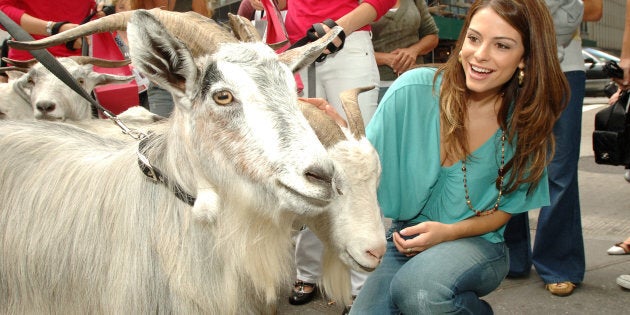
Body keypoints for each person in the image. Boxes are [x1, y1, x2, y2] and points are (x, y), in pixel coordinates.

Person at [346, 0, 569, 313]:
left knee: (419, 293)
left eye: (501, 45)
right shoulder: (413, 90)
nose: (479, 55)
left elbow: (504, 213)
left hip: (480, 244)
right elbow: (362, 162)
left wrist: (447, 232)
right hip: (407, 238)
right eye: (474, 38)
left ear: (525, 58)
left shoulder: (526, 122)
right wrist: (336, 132)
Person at [249, 0, 396, 308]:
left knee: (357, 165)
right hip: (299, 48)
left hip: (348, 41)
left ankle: (361, 282)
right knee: (308, 166)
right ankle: (309, 270)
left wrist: (339, 28)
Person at [503, 0, 602, 297]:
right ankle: (510, 256)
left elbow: (594, 10)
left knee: (560, 169)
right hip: (512, 65)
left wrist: (532, 17)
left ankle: (559, 263)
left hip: (564, 68)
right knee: (508, 162)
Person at [128, 0, 210, 117]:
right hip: (161, 84)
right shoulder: (141, 3)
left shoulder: (194, 2)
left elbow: (205, 33)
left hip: (197, 85)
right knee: (164, 131)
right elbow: (140, 34)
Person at [371, 0, 439, 101]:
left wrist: (413, 51)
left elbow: (432, 36)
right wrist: (386, 59)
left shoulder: (415, 2)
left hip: (415, 82)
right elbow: (350, 48)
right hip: (375, 87)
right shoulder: (358, 3)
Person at [0, 0, 100, 61]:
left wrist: (101, 8)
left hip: (80, 64)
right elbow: (2, 11)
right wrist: (54, 28)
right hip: (33, 64)